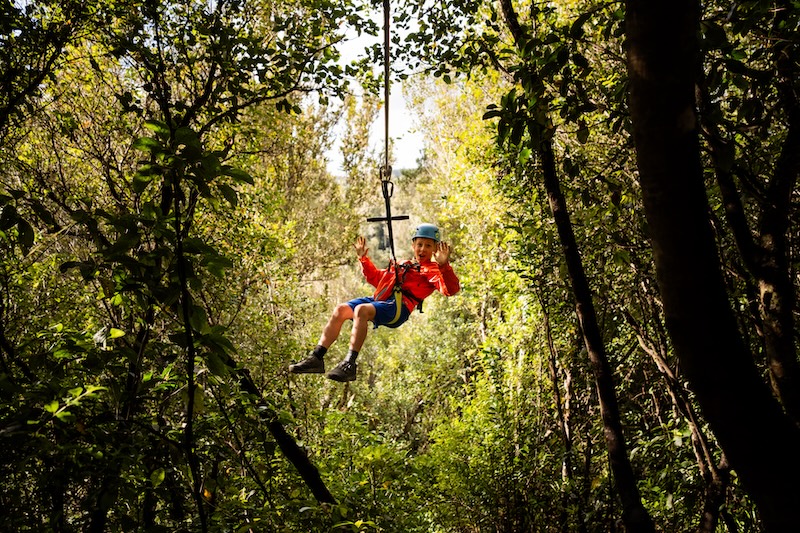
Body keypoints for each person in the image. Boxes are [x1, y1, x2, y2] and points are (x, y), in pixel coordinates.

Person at [289, 223, 460, 382]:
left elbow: (450, 290)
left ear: (436, 249)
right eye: (420, 244)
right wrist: (364, 259)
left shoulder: (433, 271)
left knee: (361, 311)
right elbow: (377, 279)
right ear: (413, 246)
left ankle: (350, 364)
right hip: (382, 300)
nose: (422, 249)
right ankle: (316, 358)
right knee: (340, 310)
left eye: (428, 246)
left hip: (399, 308)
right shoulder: (402, 264)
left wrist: (444, 266)